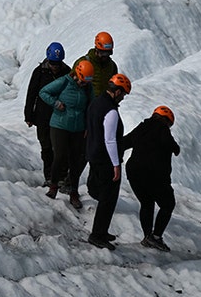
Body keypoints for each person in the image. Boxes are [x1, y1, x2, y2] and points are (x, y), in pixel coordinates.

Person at [39, 59, 95, 210]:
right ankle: (54, 186)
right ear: (77, 74)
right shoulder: (64, 82)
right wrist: (56, 103)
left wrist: (89, 126)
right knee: (60, 156)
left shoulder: (88, 87)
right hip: (60, 125)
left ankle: (74, 192)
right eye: (82, 81)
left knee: (76, 161)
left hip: (78, 128)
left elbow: (91, 105)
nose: (83, 84)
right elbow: (43, 92)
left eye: (86, 82)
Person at [84, 74, 131, 249]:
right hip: (106, 160)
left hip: (94, 154)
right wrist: (116, 164)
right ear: (117, 92)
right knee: (108, 199)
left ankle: (102, 231)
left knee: (103, 195)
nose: (123, 98)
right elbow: (110, 140)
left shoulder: (96, 102)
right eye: (123, 94)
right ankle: (97, 235)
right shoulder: (111, 111)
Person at [124, 105, 180, 251]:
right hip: (153, 174)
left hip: (134, 172)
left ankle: (147, 236)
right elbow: (172, 145)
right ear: (166, 121)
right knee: (168, 204)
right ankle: (155, 237)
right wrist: (175, 147)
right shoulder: (163, 129)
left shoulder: (142, 127)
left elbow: (124, 142)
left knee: (146, 203)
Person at [24, 42, 69, 187]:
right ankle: (49, 176)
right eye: (53, 63)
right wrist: (29, 115)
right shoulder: (39, 72)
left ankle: (62, 176)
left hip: (61, 117)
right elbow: (32, 94)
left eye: (57, 63)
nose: (55, 66)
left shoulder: (67, 72)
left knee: (61, 148)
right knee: (47, 147)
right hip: (43, 116)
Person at [73, 31, 118, 97]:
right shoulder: (83, 63)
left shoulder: (112, 66)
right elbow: (71, 83)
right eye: (103, 53)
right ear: (96, 49)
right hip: (86, 103)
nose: (105, 56)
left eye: (108, 53)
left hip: (103, 104)